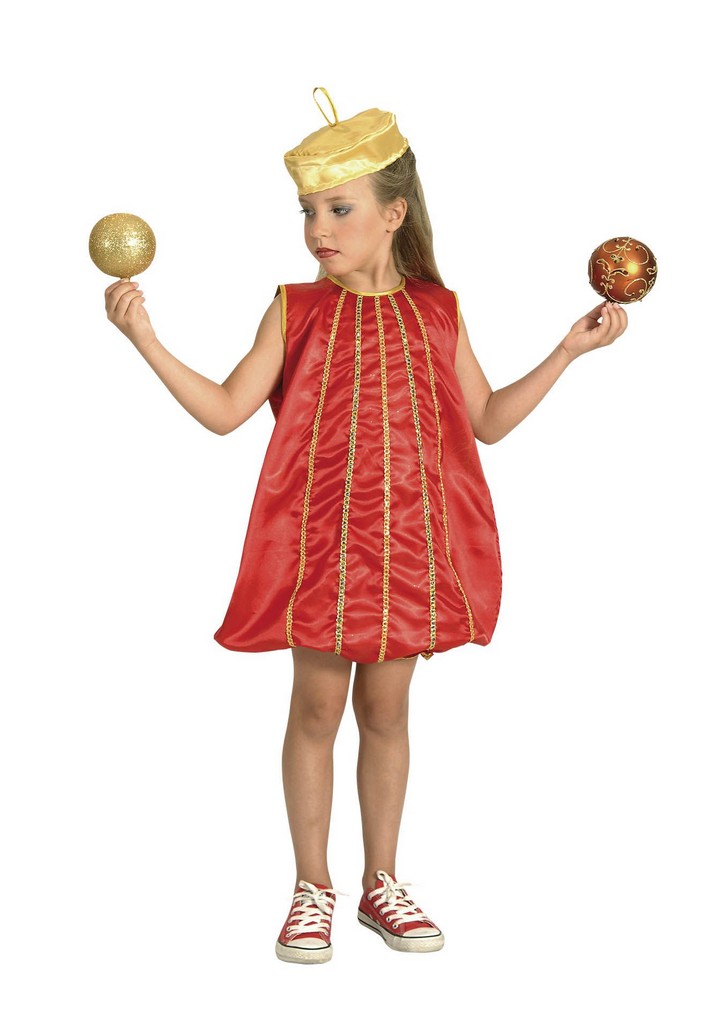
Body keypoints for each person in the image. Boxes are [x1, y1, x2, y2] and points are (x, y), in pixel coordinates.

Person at [103, 88, 628, 964]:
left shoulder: (438, 309)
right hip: (322, 550)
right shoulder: (295, 308)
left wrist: (568, 351)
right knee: (316, 706)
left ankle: (382, 882)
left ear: (393, 214)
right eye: (308, 211)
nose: (319, 228)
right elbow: (227, 411)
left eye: (338, 209)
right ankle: (312, 887)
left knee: (386, 710)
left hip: (409, 550)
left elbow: (487, 420)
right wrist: (146, 340)